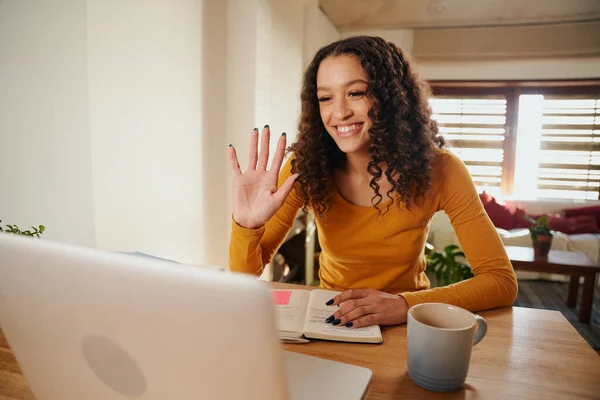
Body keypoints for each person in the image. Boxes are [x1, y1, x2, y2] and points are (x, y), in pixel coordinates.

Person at [227, 36, 517, 329]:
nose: (339, 113)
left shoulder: (441, 169)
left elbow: (500, 281)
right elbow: (244, 274)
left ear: (390, 99)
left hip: (408, 325)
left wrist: (404, 305)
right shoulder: (305, 168)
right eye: (325, 98)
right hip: (333, 319)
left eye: (355, 93)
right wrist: (246, 225)